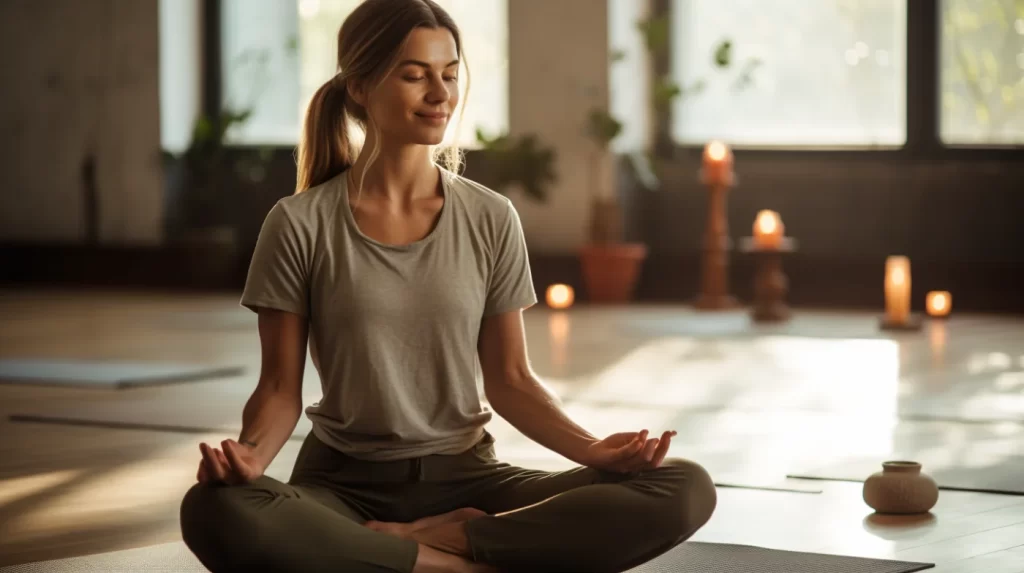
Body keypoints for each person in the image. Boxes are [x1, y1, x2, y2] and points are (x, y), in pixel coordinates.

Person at [178, 1, 716, 571]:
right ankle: (454, 562)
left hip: (471, 480)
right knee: (216, 510)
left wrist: (591, 449)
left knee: (683, 486)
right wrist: (250, 458)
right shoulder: (299, 222)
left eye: (450, 73)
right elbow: (280, 388)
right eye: (414, 75)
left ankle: (430, 545)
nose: (440, 93)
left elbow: (510, 380)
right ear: (359, 87)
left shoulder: (491, 217)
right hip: (341, 487)